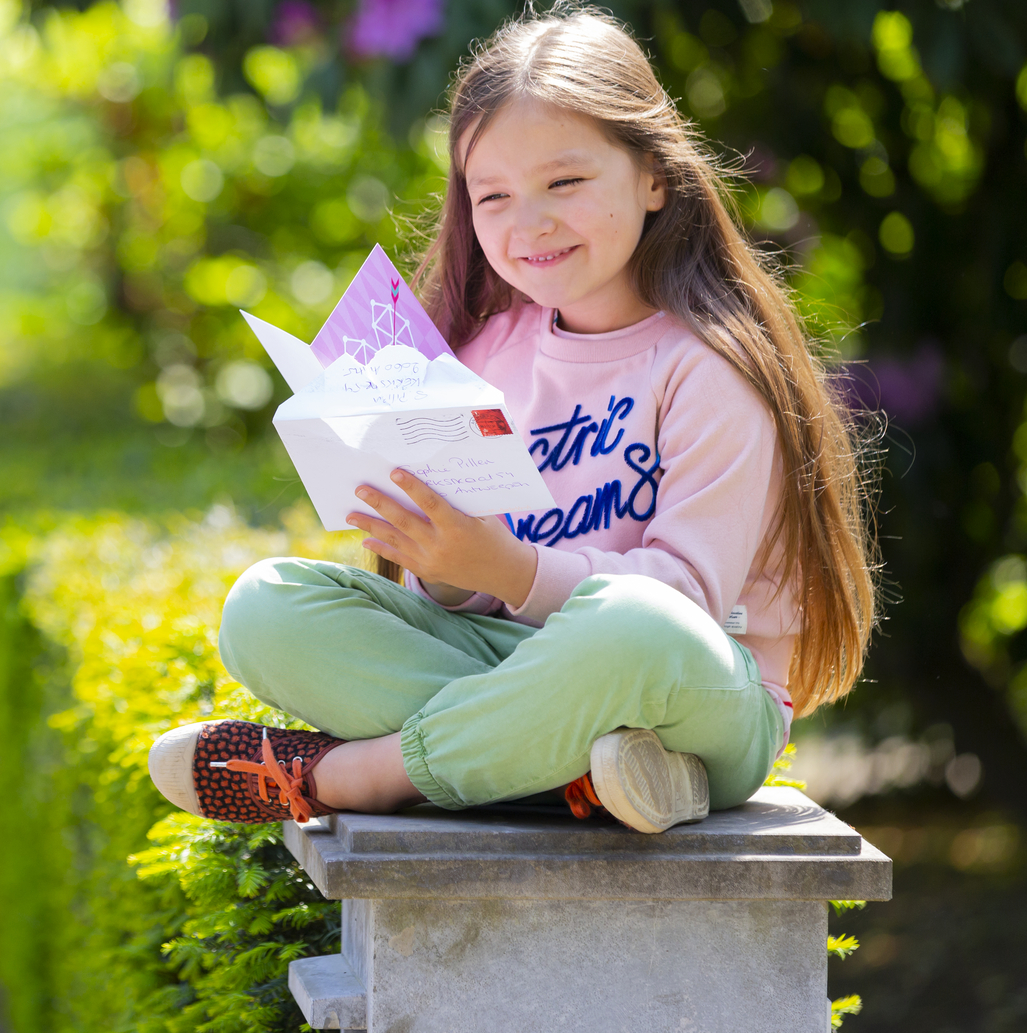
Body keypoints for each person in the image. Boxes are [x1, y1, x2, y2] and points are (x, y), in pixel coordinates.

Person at [146, 6, 877, 833]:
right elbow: (459, 599)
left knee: (633, 626)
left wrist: (512, 569)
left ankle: (361, 775)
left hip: (697, 693)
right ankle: (586, 776)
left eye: (565, 183)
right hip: (527, 675)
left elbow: (688, 607)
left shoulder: (709, 369)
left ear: (653, 177)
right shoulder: (488, 352)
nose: (528, 222)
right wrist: (450, 567)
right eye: (492, 195)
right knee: (266, 608)